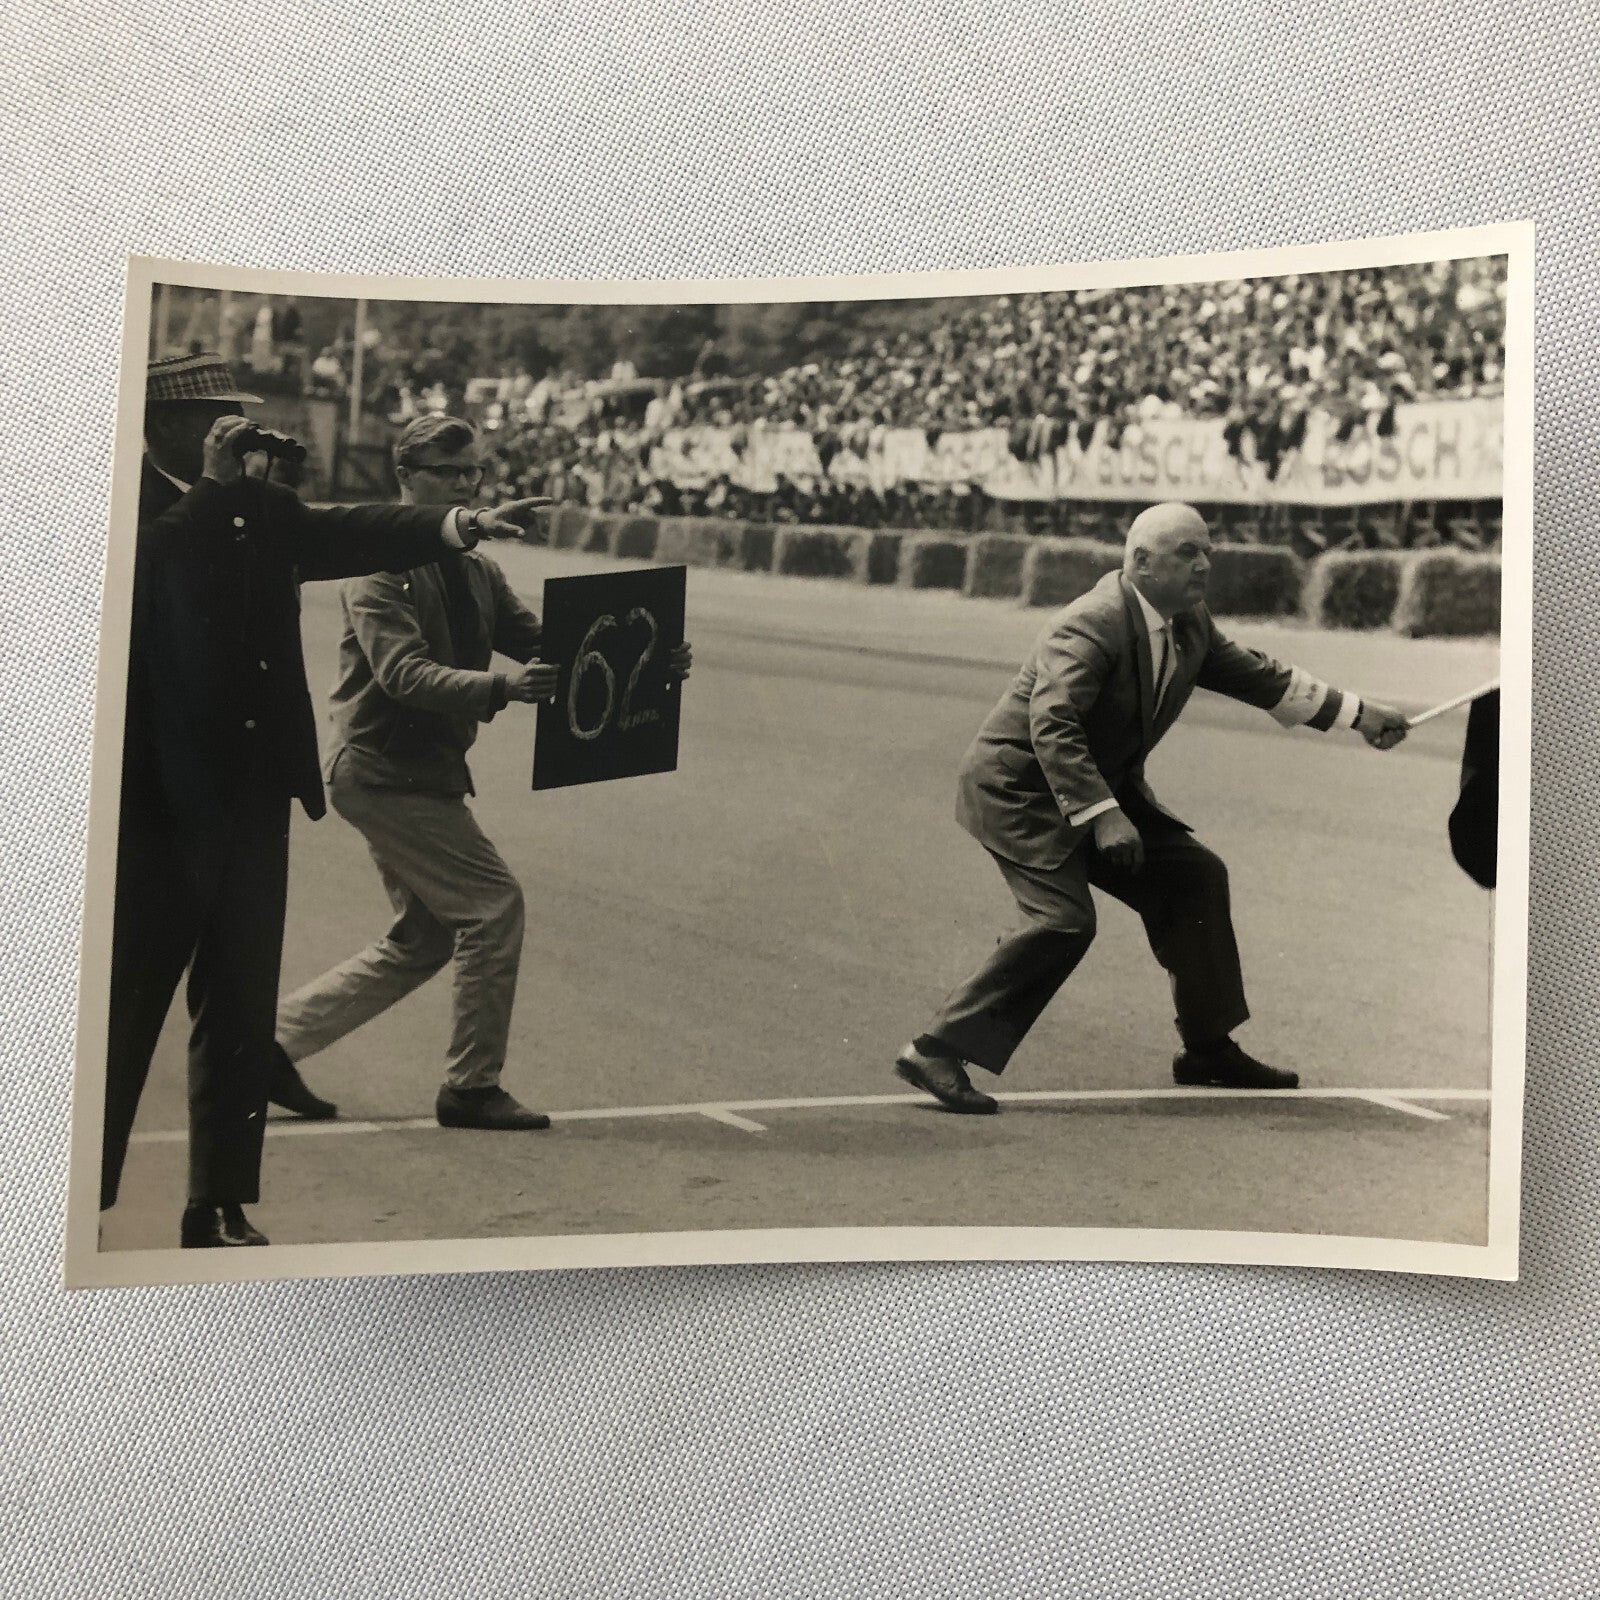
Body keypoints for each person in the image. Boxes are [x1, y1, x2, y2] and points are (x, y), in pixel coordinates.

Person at [104, 354, 546, 1248]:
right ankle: (84, 1198)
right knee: (126, 1007)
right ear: (161, 426)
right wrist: (220, 489)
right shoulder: (130, 504)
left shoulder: (253, 507)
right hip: (158, 800)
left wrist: (457, 525)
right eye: (219, 418)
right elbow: (161, 568)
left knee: (238, 1002)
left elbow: (352, 529)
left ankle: (219, 1202)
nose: (237, 431)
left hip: (256, 789)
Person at [894, 501, 1411, 1114]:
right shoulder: (1091, 622)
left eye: (1208, 551)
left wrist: (1358, 714)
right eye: (1188, 553)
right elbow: (1053, 724)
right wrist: (1102, 812)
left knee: (1194, 876)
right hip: (1022, 793)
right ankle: (936, 1050)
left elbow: (1260, 676)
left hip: (1094, 792)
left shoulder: (1188, 622)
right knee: (1062, 920)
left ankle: (1207, 1050)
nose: (1204, 565)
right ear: (1140, 562)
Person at [270, 416, 692, 1131]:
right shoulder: (376, 572)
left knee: (426, 938)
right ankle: (470, 1088)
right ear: (407, 477)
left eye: (474, 473)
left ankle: (269, 1044)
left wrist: (651, 665)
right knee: (492, 908)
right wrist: (502, 689)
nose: (468, 485)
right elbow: (404, 675)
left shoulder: (475, 570)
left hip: (419, 773)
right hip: (380, 773)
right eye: (450, 472)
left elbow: (550, 641)